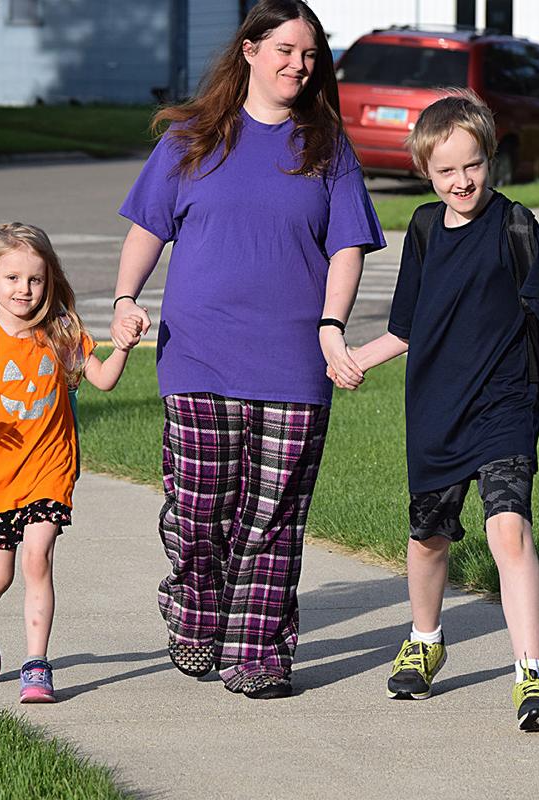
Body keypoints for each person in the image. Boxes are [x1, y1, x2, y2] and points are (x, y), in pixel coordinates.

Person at [109, 0, 385, 699]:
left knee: (275, 517)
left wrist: (331, 325)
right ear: (251, 51)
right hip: (199, 353)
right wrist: (123, 299)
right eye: (287, 50)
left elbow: (348, 245)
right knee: (200, 506)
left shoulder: (326, 146)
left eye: (311, 54)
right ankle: (197, 612)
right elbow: (148, 226)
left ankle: (258, 651)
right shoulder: (192, 139)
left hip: (296, 361)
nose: (299, 65)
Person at [341, 91, 539, 730]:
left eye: (472, 165)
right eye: (446, 171)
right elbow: (407, 329)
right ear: (426, 173)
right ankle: (425, 637)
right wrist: (353, 358)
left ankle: (533, 678)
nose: (462, 181)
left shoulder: (518, 227)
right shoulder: (421, 230)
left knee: (508, 530)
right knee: (428, 539)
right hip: (436, 408)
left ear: (489, 158)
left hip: (504, 406)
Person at [0, 222, 139, 703]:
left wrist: (125, 347)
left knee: (38, 560)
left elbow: (104, 380)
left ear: (49, 280)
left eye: (35, 279)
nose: (24, 290)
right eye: (11, 278)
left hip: (49, 469)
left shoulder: (63, 332)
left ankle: (36, 664)